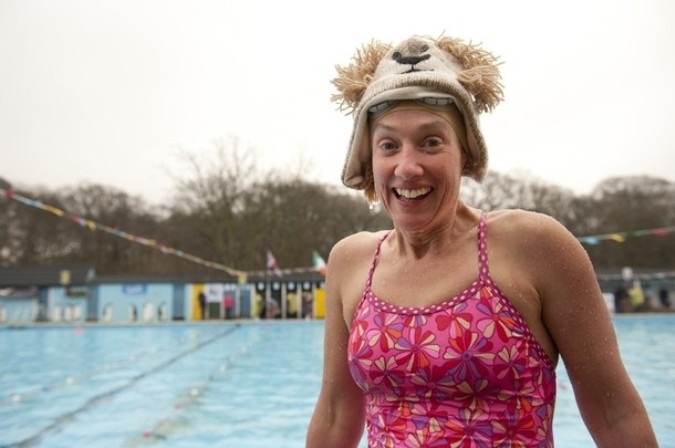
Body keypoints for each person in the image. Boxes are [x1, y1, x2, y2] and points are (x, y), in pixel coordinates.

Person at [306, 34, 657, 447]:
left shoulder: (533, 246)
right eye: (388, 145)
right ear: (369, 159)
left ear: (466, 152)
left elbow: (613, 413)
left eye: (431, 142)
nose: (407, 167)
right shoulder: (351, 261)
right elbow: (334, 415)